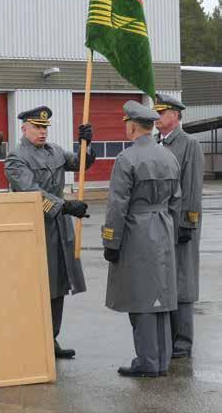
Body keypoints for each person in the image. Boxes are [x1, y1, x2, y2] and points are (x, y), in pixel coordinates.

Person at [4, 106, 95, 359]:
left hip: (59, 228)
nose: (42, 132)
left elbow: (80, 164)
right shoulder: (16, 157)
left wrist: (86, 144)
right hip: (32, 229)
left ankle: (50, 339)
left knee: (58, 285)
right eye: (37, 127)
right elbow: (30, 193)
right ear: (24, 128)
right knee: (34, 287)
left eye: (45, 128)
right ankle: (30, 339)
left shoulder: (54, 151)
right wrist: (64, 206)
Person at [102, 100, 181, 378]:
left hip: (137, 230)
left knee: (141, 298)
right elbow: (176, 201)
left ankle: (147, 362)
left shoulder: (127, 159)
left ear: (133, 126)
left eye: (127, 123)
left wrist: (111, 242)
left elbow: (117, 206)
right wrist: (168, 227)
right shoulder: (168, 156)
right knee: (161, 295)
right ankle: (161, 360)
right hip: (163, 226)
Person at [154, 93, 204, 359]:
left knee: (183, 282)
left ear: (175, 115)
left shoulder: (188, 145)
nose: (157, 117)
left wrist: (188, 222)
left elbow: (193, 188)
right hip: (158, 225)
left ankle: (183, 341)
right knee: (163, 281)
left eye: (162, 112)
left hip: (181, 225)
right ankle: (166, 336)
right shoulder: (154, 144)